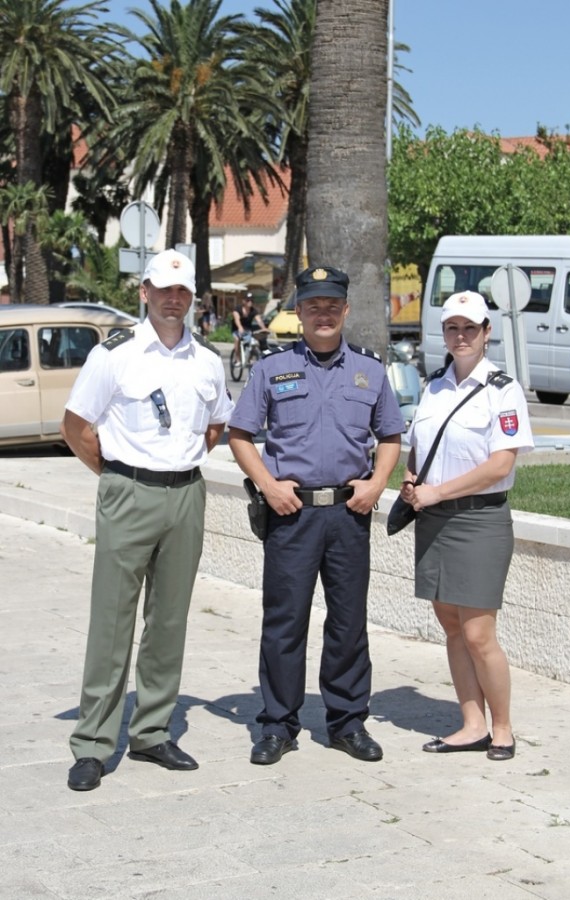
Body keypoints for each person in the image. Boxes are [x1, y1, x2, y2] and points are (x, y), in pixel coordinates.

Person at [60, 248, 234, 791]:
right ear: (144, 292)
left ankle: (152, 731)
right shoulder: (114, 355)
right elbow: (75, 426)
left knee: (169, 619)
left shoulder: (206, 359)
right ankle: (93, 743)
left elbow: (216, 426)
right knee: (112, 619)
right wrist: (116, 476)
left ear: (191, 298)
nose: (173, 299)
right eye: (163, 290)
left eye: (182, 292)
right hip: (128, 491)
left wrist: (176, 464)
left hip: (185, 494)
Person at [228, 265, 405, 765]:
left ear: (345, 311)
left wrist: (376, 484)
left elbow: (390, 436)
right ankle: (278, 725)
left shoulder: (369, 370)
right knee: (285, 623)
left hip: (349, 514)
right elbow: (240, 435)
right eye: (313, 307)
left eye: (331, 306)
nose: (322, 314)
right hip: (292, 515)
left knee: (348, 622)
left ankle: (348, 722)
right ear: (299, 312)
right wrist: (267, 484)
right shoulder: (271, 368)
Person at [400, 290, 534, 761]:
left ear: (486, 332)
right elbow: (421, 444)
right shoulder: (433, 385)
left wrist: (439, 490)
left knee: (479, 633)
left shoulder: (503, 389)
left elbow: (500, 465)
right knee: (451, 626)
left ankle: (502, 728)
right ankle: (471, 723)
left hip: (479, 520)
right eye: (452, 328)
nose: (461, 336)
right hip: (433, 519)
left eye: (469, 329)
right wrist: (414, 478)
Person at [231, 293, 267, 361]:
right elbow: (237, 319)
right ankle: (237, 358)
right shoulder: (237, 309)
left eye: (251, 300)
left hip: (248, 330)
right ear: (244, 301)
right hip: (237, 329)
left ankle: (250, 357)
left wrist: (263, 328)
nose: (250, 302)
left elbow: (259, 320)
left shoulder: (253, 311)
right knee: (237, 340)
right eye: (248, 300)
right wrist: (240, 327)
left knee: (254, 343)